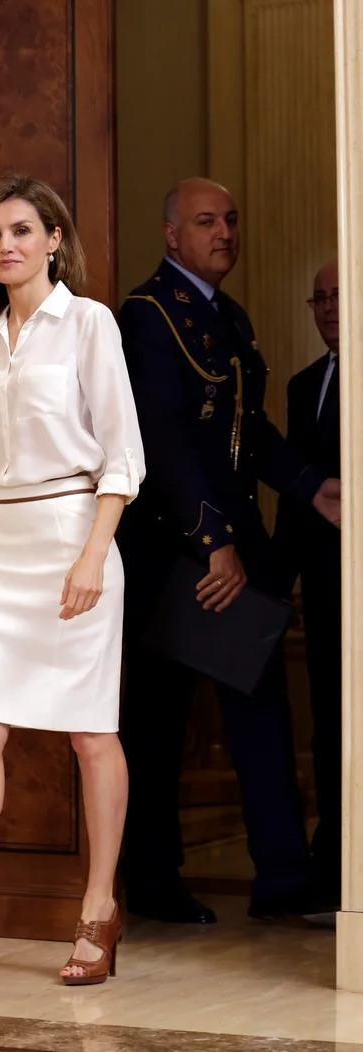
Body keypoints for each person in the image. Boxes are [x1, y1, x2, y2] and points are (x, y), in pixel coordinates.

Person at [0, 173, 145, 995]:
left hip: (72, 543)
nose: (5, 245)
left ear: (54, 240)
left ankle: (98, 909)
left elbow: (123, 454)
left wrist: (92, 554)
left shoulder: (89, 324)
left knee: (90, 734)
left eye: (21, 230)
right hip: (2, 556)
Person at [118, 178, 341, 924]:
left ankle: (281, 879)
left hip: (234, 550)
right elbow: (164, 439)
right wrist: (213, 541)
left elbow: (251, 431)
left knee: (260, 708)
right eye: (207, 221)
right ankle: (154, 881)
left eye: (231, 221)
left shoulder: (230, 316)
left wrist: (311, 485)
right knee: (160, 719)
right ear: (171, 235)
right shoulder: (148, 314)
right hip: (174, 553)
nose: (224, 233)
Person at [273, 260, 341, 908]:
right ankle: (333, 862)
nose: (329, 308)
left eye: (340, 296)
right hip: (321, 586)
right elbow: (300, 498)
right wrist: (276, 582)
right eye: (319, 298)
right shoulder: (302, 387)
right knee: (327, 721)